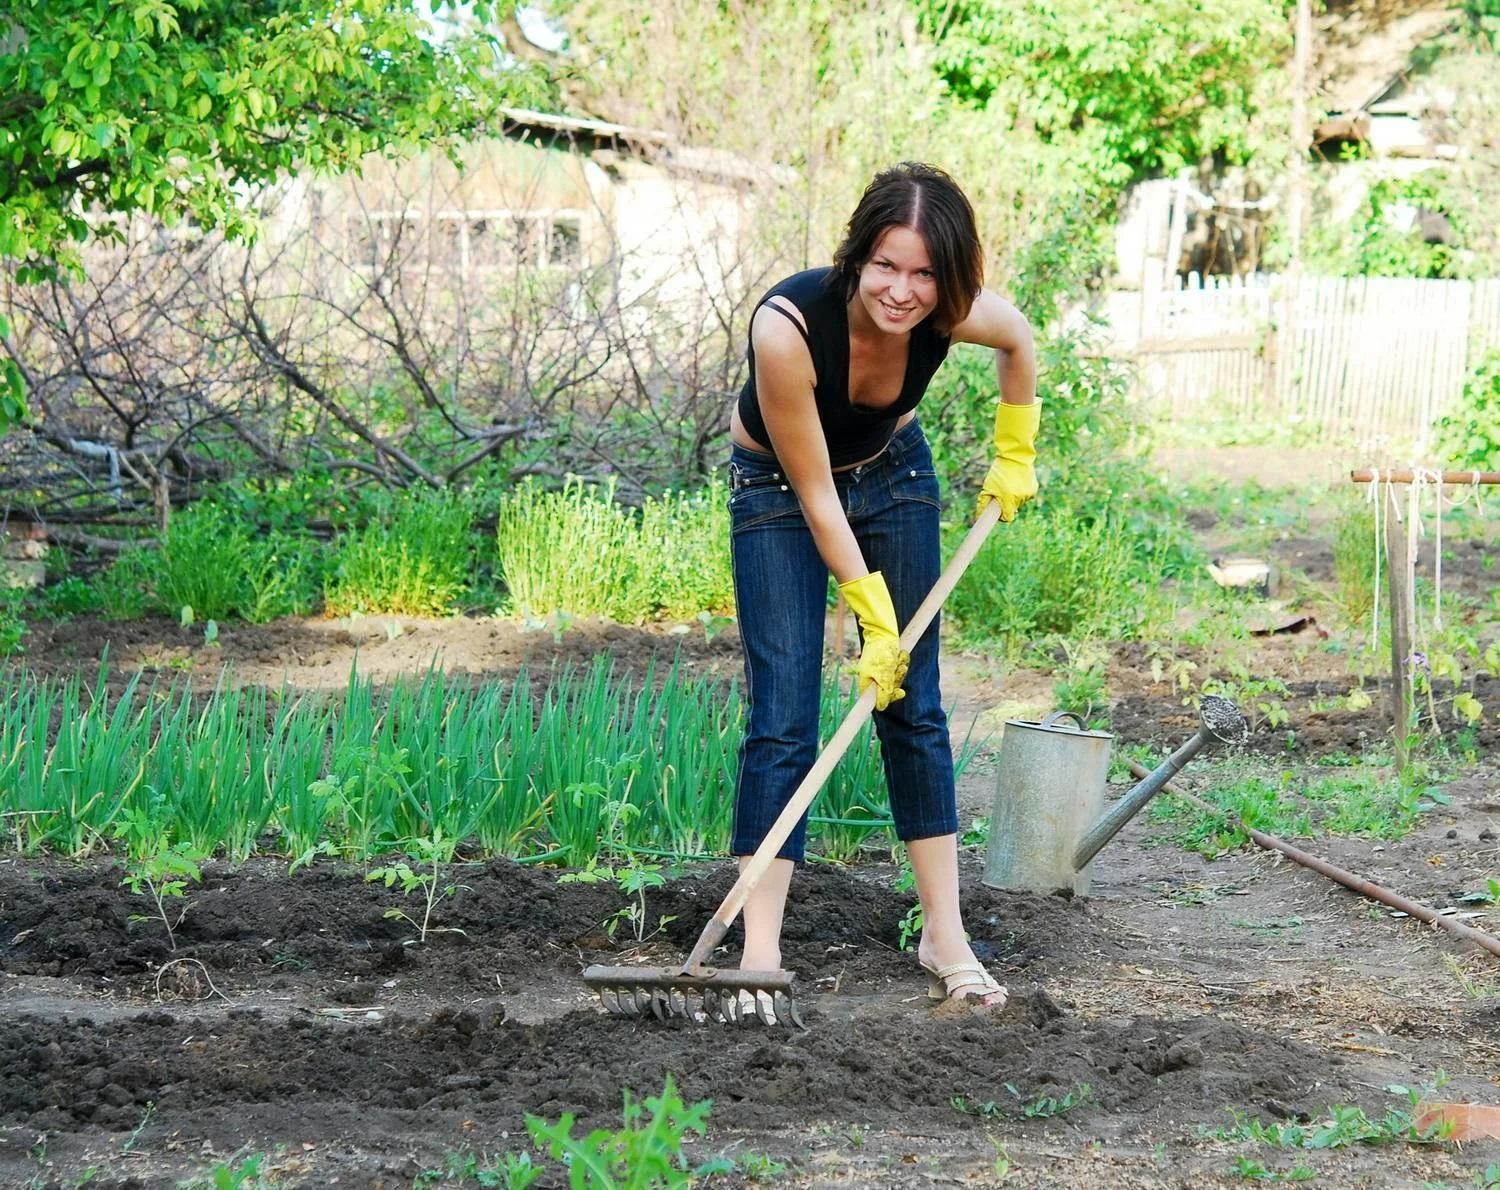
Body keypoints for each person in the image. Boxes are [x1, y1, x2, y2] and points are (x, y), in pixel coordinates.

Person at [727, 161, 1039, 1013]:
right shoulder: (787, 330)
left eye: (925, 272)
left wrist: (1016, 448)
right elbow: (816, 495)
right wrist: (871, 615)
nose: (903, 291)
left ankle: (946, 935)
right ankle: (759, 953)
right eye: (887, 266)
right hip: (781, 494)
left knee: (916, 704)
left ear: (950, 277)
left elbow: (1020, 342)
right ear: (857, 255)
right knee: (785, 711)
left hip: (897, 477)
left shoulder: (952, 313)